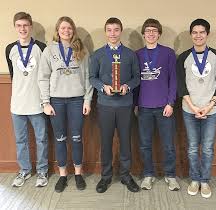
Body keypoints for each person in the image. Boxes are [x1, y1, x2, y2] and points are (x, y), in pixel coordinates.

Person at [38, 16, 93, 193]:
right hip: (56, 101)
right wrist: (45, 102)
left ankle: (78, 173)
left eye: (69, 28)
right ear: (57, 30)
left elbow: (87, 77)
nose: (66, 31)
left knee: (76, 138)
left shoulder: (81, 49)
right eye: (63, 28)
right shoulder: (49, 51)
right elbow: (43, 77)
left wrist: (87, 100)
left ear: (73, 30)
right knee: (60, 138)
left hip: (77, 100)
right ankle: (62, 175)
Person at [177, 18, 216, 198]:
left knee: (207, 148)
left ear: (207, 34)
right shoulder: (183, 57)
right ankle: (195, 179)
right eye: (195, 32)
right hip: (189, 108)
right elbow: (181, 86)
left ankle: (205, 181)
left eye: (202, 32)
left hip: (211, 110)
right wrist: (193, 106)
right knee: (191, 147)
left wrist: (207, 107)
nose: (198, 35)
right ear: (191, 35)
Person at [89, 17, 140, 193]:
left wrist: (128, 86)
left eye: (116, 30)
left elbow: (137, 78)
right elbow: (92, 78)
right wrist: (103, 87)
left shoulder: (130, 54)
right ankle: (106, 176)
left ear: (121, 32)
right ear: (105, 32)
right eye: (109, 30)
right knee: (106, 142)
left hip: (125, 105)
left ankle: (126, 175)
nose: (113, 33)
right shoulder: (97, 54)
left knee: (126, 142)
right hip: (105, 105)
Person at [135, 18, 180, 191]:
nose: (151, 33)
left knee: (168, 144)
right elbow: (135, 82)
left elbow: (173, 80)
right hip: (144, 107)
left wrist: (171, 102)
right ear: (144, 34)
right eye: (148, 31)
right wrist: (135, 104)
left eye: (154, 30)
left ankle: (170, 175)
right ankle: (148, 175)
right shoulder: (137, 54)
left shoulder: (168, 53)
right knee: (145, 144)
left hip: (164, 107)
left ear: (159, 34)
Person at [5, 12, 48, 187]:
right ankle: (24, 170)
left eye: (25, 25)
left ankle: (43, 171)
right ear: (15, 27)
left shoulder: (41, 47)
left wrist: (45, 100)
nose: (22, 29)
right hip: (17, 104)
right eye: (19, 26)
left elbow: (45, 74)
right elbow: (13, 75)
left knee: (41, 139)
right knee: (20, 140)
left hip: (37, 103)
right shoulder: (9, 49)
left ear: (30, 27)